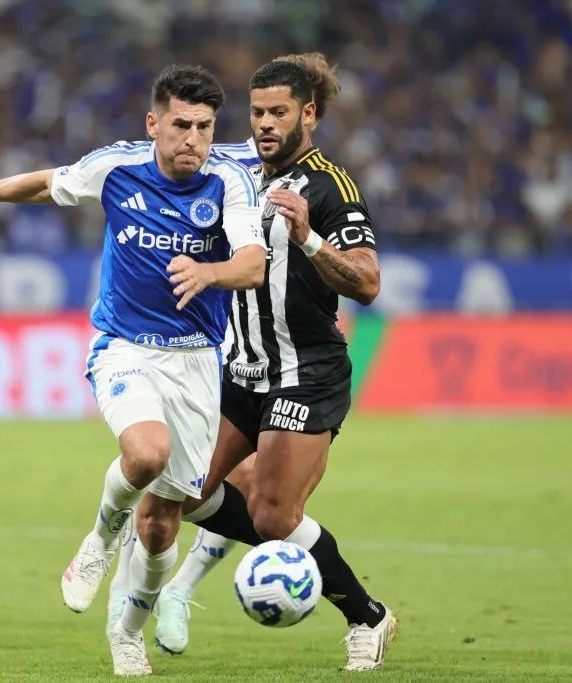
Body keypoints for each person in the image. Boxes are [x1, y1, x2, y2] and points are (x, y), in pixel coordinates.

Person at [0, 64, 266, 676]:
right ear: (154, 124)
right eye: (181, 126)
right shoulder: (117, 167)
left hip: (197, 361)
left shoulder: (229, 183)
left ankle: (127, 630)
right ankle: (100, 538)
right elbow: (51, 183)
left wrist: (210, 272)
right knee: (146, 454)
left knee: (159, 527)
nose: (193, 141)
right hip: (124, 347)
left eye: (205, 128)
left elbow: (253, 265)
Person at [109, 55, 399, 672]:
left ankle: (367, 618)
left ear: (309, 115)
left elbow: (369, 284)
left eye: (279, 113)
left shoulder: (330, 188)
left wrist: (310, 239)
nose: (265, 124)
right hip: (238, 370)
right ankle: (151, 607)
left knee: (273, 514)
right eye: (258, 112)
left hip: (306, 371)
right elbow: (165, 150)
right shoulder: (232, 166)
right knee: (181, 493)